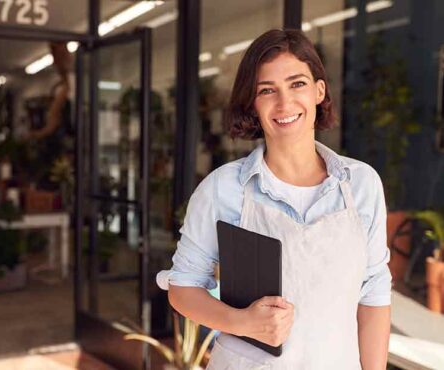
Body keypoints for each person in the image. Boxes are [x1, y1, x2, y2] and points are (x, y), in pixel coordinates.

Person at [156, 29, 391, 369]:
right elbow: (182, 289)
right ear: (253, 103)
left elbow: (374, 295)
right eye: (267, 90)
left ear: (319, 91)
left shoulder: (361, 185)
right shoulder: (223, 188)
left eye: (297, 84)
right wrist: (242, 322)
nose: (284, 104)